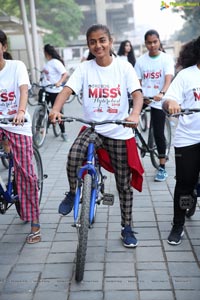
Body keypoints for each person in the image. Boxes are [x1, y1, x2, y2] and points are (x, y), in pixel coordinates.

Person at [50, 24, 144, 248]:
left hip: (119, 130)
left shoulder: (124, 67)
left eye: (102, 40)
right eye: (92, 42)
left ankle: (127, 227)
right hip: (93, 128)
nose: (98, 45)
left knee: (123, 183)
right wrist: (56, 109)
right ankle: (73, 193)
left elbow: (137, 94)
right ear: (88, 45)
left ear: (111, 41)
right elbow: (66, 90)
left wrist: (135, 113)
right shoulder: (84, 68)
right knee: (74, 156)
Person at [0, 30, 41, 244]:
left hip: (17, 124)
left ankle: (34, 222)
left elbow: (23, 91)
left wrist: (21, 111)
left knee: (26, 174)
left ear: (3, 47)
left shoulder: (16, 67)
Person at [162, 36, 200, 245]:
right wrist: (172, 104)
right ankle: (178, 224)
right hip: (189, 139)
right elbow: (169, 99)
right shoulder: (186, 75)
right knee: (185, 184)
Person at [134, 29, 174, 182]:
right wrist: (139, 95)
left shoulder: (166, 59)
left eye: (154, 42)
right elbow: (137, 81)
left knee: (158, 133)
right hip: (144, 98)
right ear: (145, 44)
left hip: (160, 99)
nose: (152, 45)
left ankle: (162, 167)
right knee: (127, 120)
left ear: (159, 41)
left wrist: (162, 93)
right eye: (149, 43)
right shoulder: (141, 61)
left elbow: (168, 79)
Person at [41, 44, 68, 141]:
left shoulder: (56, 62)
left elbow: (65, 73)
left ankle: (63, 133)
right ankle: (43, 125)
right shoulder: (47, 63)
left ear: (47, 53)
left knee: (58, 112)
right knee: (41, 108)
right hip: (46, 89)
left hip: (55, 91)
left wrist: (59, 82)